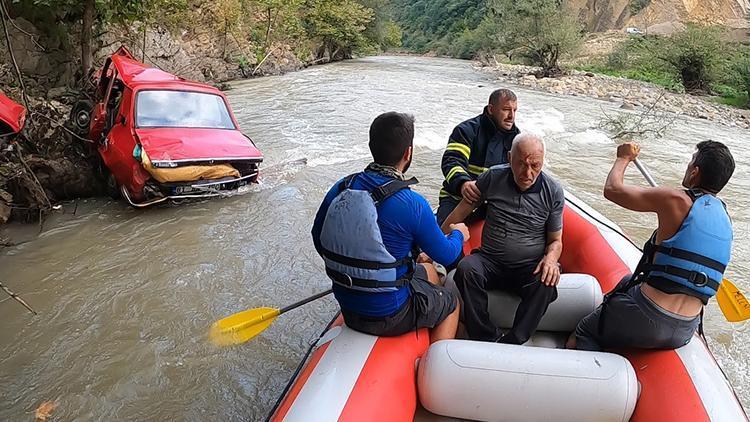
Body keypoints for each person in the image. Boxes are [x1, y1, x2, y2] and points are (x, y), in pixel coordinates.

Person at [311, 112, 469, 343]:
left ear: (370, 146)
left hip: (347, 305)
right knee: (451, 302)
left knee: (430, 272)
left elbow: (319, 239)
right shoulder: (412, 204)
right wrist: (458, 234)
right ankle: (433, 366)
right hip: (390, 314)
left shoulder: (340, 188)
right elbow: (447, 253)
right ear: (408, 152)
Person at [571, 141, 734, 351]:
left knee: (583, 332)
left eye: (691, 161)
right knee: (628, 281)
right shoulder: (725, 219)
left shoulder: (675, 199)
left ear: (695, 172)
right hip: (685, 329)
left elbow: (612, 190)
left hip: (647, 315)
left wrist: (623, 158)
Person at [442, 133, 563, 344]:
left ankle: (514, 341)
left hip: (528, 266)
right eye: (521, 164)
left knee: (546, 282)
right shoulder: (492, 177)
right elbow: (461, 212)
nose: (528, 173)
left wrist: (551, 259)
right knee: (467, 268)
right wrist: (433, 243)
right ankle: (485, 335)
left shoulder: (552, 190)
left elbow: (555, 240)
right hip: (490, 260)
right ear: (509, 158)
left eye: (535, 165)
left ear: (543, 161)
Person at [436, 89, 521, 224]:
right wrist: (463, 183)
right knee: (443, 239)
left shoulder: (517, 139)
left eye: (515, 110)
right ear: (491, 109)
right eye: (506, 109)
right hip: (456, 198)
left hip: (492, 204)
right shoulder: (466, 130)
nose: (511, 116)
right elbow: (452, 161)